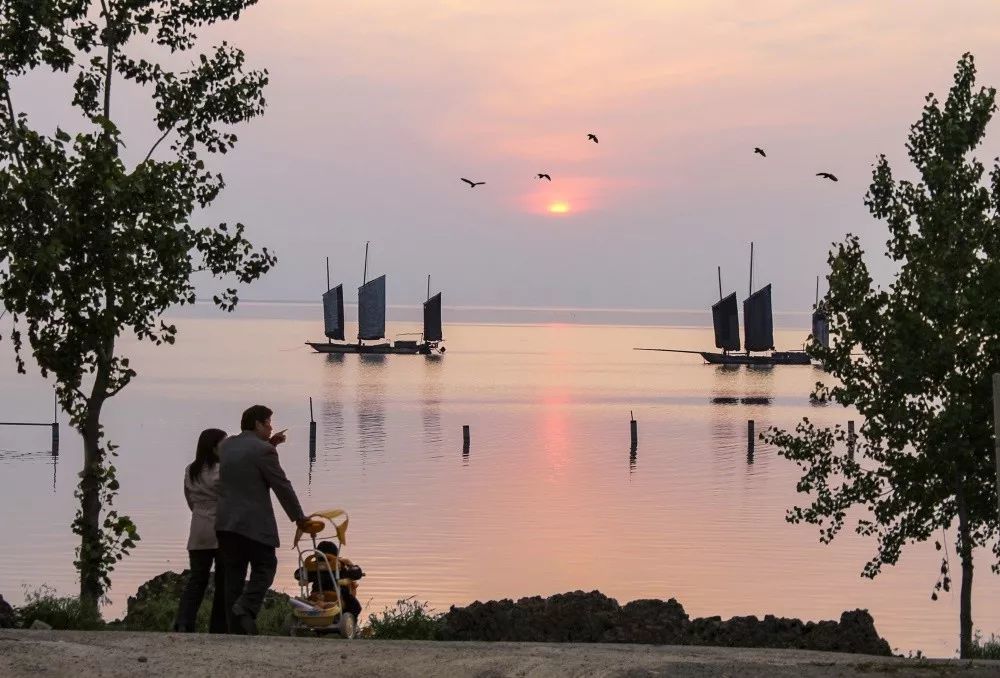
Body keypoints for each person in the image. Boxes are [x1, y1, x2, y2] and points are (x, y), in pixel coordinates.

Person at [216, 405, 309, 635]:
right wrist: (299, 517)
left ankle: (236, 629)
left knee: (233, 577)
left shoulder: (227, 446)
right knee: (265, 566)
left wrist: (270, 444)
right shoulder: (264, 452)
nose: (270, 427)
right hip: (254, 524)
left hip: (226, 523)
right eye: (268, 423)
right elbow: (281, 485)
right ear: (257, 423)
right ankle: (246, 606)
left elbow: (246, 459)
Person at [174, 428, 228, 633]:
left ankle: (184, 622)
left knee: (197, 579)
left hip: (198, 530)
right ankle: (219, 626)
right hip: (221, 529)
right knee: (223, 580)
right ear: (214, 447)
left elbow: (189, 500)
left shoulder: (191, 470)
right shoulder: (222, 471)